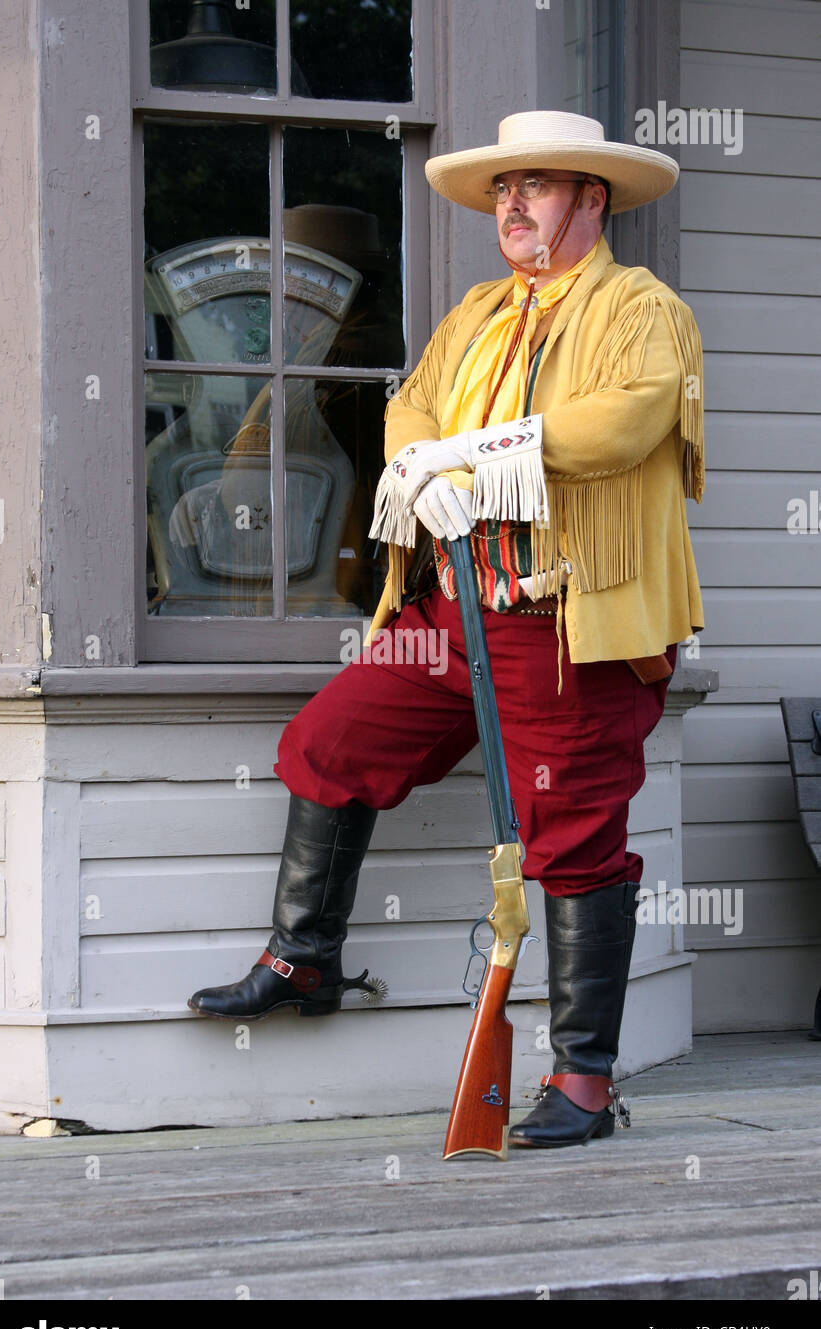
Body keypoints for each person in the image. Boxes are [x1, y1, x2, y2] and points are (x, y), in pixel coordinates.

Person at [188, 111, 705, 1150]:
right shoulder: (475, 311)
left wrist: (469, 460)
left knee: (573, 845)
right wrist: (422, 462)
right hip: (456, 610)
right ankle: (306, 956)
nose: (511, 206)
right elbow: (409, 409)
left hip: (574, 629)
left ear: (591, 201)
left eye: (537, 186)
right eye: (501, 189)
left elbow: (623, 425)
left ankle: (584, 1080)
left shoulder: (642, 308)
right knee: (329, 742)